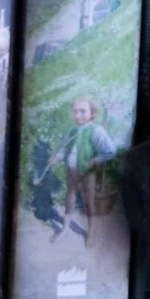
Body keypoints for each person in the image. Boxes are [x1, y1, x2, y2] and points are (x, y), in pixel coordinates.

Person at [59, 97, 116, 243]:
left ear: (92, 113)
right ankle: (65, 229)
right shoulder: (72, 130)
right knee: (69, 198)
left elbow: (110, 151)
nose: (78, 115)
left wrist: (95, 161)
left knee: (89, 201)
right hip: (71, 171)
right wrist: (57, 157)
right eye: (75, 111)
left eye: (83, 111)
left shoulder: (96, 130)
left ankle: (91, 233)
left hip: (87, 172)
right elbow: (64, 149)